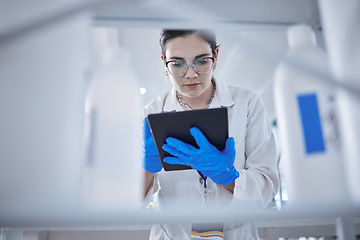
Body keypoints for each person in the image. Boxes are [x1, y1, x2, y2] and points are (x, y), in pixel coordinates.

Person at [141, 29, 279, 240]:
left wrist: (229, 177)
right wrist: (146, 169)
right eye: (177, 63)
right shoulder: (150, 114)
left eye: (201, 61)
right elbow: (131, 200)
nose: (190, 74)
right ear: (164, 62)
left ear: (215, 57)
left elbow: (268, 185)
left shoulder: (247, 103)